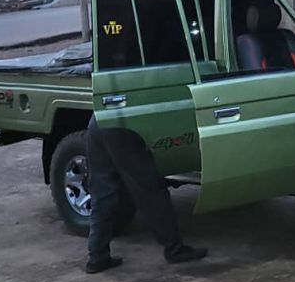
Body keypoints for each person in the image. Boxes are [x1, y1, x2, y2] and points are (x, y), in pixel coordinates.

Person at [85, 116, 207, 273]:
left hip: (98, 121)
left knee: (102, 194)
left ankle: (97, 256)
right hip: (123, 124)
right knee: (150, 190)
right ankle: (174, 249)